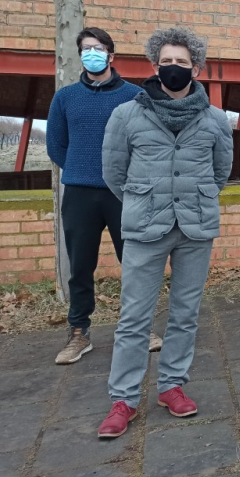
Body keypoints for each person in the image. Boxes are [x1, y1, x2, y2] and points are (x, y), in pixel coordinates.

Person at [97, 28, 233, 438]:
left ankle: (172, 386)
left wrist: (190, 198)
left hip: (195, 229)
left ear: (197, 68)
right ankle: (123, 399)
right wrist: (148, 200)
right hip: (145, 229)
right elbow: (113, 173)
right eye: (167, 62)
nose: (175, 68)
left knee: (185, 314)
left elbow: (221, 171)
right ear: (155, 66)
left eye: (183, 62)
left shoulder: (214, 119)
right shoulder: (126, 115)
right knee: (134, 317)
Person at [46, 28, 148, 365]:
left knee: (134, 263)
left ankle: (140, 328)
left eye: (99, 48)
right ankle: (79, 333)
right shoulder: (65, 97)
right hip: (79, 193)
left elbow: (144, 143)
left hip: (123, 194)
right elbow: (56, 145)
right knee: (80, 267)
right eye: (86, 48)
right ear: (80, 54)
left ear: (111, 55)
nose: (93, 53)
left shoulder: (135, 96)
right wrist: (80, 169)